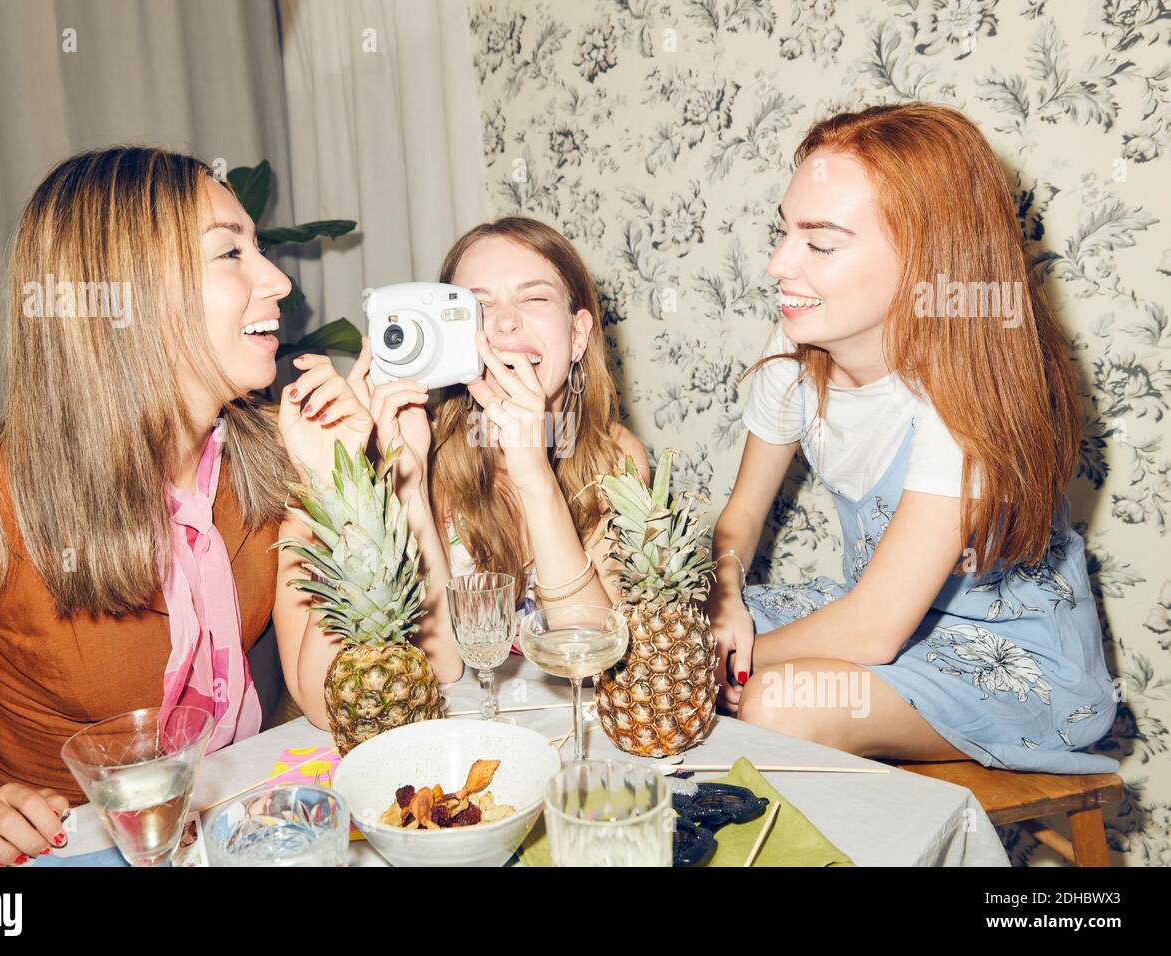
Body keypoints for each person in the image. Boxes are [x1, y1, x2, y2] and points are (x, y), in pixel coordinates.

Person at [0, 146, 376, 865]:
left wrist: (338, 488)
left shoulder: (274, 459)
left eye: (259, 249)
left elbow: (336, 702)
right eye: (230, 254)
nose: (277, 281)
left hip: (211, 840)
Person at [707, 103, 1118, 773]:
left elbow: (872, 629)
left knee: (779, 703)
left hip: (1013, 662)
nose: (780, 264)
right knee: (648, 627)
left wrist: (722, 657)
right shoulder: (796, 344)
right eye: (782, 232)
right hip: (882, 616)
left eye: (821, 243)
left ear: (927, 259)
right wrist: (723, 603)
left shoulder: (967, 395)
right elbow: (742, 518)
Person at [351, 217, 650, 658]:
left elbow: (592, 656)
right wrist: (410, 484)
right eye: (479, 305)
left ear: (578, 334)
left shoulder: (616, 458)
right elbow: (438, 667)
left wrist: (533, 472)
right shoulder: (415, 446)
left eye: (533, 297)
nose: (506, 323)